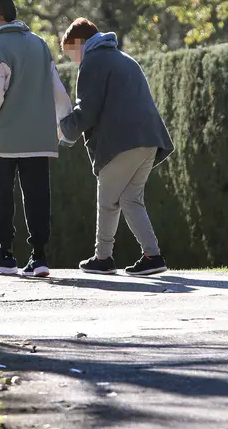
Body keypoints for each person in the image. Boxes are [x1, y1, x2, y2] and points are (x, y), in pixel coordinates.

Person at [58, 18, 175, 276]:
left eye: (70, 53)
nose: (73, 61)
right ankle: (153, 256)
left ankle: (103, 258)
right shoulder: (123, 58)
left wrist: (65, 129)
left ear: (79, 42)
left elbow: (86, 110)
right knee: (131, 199)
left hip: (122, 141)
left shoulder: (94, 61)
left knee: (108, 200)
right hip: (149, 139)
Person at [0, 0, 72, 277]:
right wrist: (64, 124)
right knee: (38, 196)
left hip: (4, 137)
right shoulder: (39, 44)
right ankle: (39, 256)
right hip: (39, 138)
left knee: (2, 195)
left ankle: (5, 253)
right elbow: (58, 91)